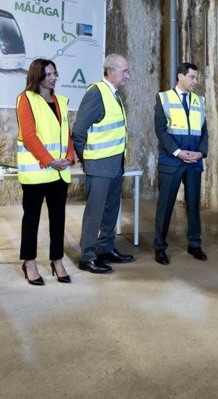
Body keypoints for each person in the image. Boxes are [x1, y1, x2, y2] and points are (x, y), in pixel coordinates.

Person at [72, 53, 133, 274]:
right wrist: (86, 158)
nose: (127, 75)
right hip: (98, 164)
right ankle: (87, 256)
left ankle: (106, 248)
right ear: (110, 71)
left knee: (110, 210)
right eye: (124, 71)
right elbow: (79, 130)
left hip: (115, 164)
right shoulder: (96, 93)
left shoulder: (114, 94)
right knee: (95, 212)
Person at [16, 58, 75, 285]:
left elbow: (66, 134)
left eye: (54, 74)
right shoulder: (26, 99)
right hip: (37, 172)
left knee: (58, 219)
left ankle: (57, 260)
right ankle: (29, 262)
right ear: (37, 75)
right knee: (31, 219)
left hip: (59, 172)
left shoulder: (60, 101)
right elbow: (29, 137)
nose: (53, 78)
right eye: (48, 74)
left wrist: (69, 157)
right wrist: (50, 161)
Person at [153, 62, 209, 265]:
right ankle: (160, 247)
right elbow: (161, 130)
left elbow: (204, 130)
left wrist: (200, 153)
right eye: (192, 77)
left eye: (196, 78)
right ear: (180, 76)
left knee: (193, 205)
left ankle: (195, 244)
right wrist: (178, 152)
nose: (195, 81)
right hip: (172, 161)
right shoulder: (164, 98)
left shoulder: (199, 100)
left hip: (193, 161)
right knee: (166, 205)